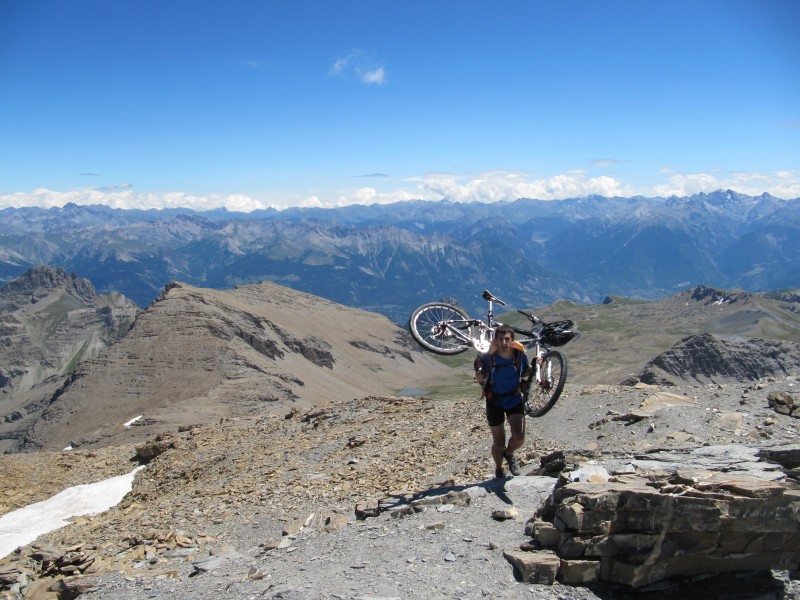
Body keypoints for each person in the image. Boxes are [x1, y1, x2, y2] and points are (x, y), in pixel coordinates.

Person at [474, 324, 531, 478]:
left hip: (514, 398)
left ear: (512, 340)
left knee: (519, 437)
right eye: (501, 339)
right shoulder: (487, 357)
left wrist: (536, 368)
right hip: (494, 401)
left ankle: (509, 453)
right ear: (496, 341)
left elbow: (526, 372)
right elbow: (481, 377)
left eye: (507, 339)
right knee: (498, 442)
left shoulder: (519, 356)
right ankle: (499, 468)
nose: (504, 343)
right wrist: (479, 374)